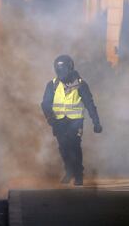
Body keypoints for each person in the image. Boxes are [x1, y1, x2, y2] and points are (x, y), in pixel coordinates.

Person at [41, 55, 102, 186]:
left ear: (70, 68)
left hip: (75, 122)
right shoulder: (52, 85)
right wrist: (50, 117)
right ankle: (69, 171)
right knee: (63, 148)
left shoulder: (81, 85)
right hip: (58, 122)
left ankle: (78, 175)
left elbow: (90, 104)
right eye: (58, 69)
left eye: (62, 69)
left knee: (74, 147)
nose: (60, 72)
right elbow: (45, 104)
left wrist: (96, 122)